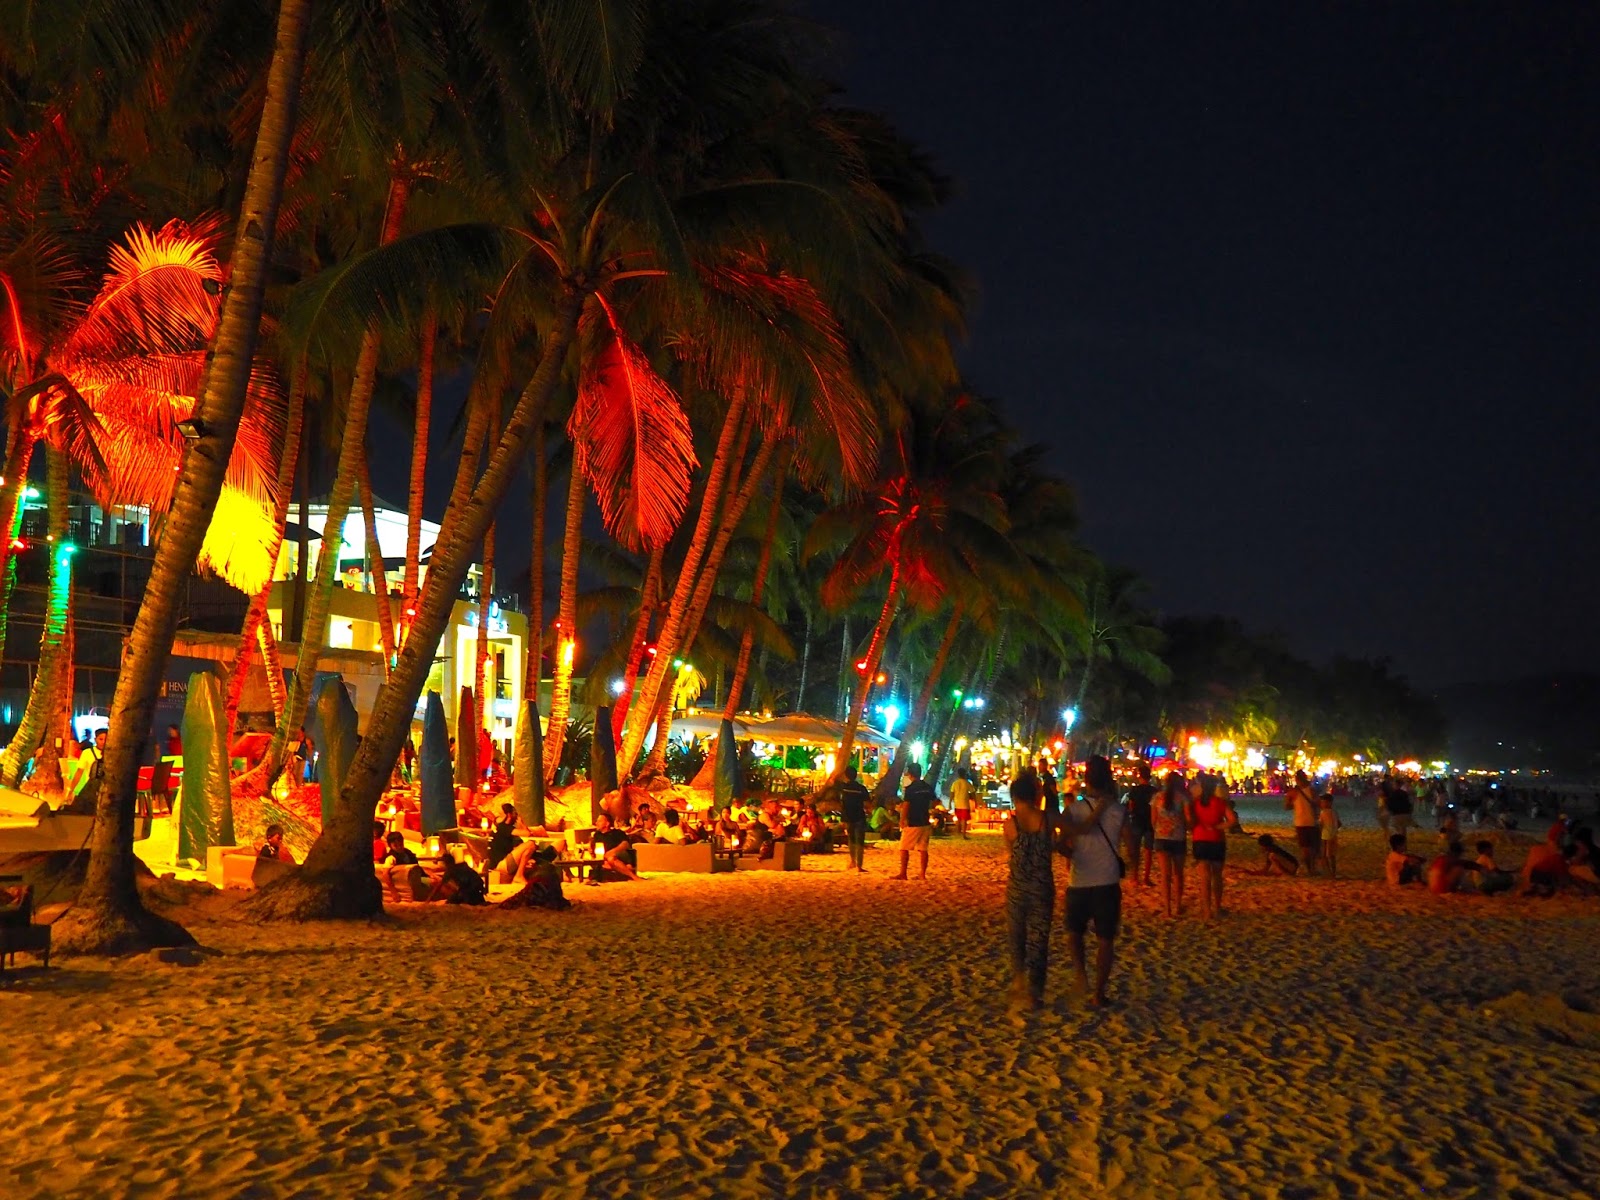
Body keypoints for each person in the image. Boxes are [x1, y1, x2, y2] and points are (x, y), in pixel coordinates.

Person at [1061, 755, 1125, 1008]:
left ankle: (1081, 975)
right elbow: (1129, 841)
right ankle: (1099, 992)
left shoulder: (1073, 809)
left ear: (1086, 779)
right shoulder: (1118, 810)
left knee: (1073, 933)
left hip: (1079, 880)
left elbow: (1062, 843)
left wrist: (1072, 851)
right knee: (1105, 939)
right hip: (1107, 880)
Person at [1003, 772, 1056, 1011]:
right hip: (1042, 887)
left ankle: (1018, 980)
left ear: (1015, 796)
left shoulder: (1010, 824)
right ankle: (1034, 992)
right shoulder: (1045, 820)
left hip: (1017, 886)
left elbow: (1010, 855)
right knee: (1038, 940)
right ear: (1035, 794)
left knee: (1017, 936)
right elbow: (1054, 846)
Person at [1188, 774, 1230, 920]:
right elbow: (1232, 820)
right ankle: (1217, 908)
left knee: (1204, 878)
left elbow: (1189, 819)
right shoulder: (1219, 802)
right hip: (1216, 840)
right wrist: (1218, 826)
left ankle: (1206, 910)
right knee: (1217, 876)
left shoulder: (1195, 803)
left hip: (1200, 839)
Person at [1151, 771, 1188, 919]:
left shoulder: (1157, 797)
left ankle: (1167, 909)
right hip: (1178, 837)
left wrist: (1160, 828)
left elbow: (1153, 820)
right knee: (1178, 874)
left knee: (1165, 876)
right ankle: (1178, 905)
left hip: (1161, 837)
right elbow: (1187, 818)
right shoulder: (1182, 798)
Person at [895, 763, 936, 880]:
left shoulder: (910, 789)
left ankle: (903, 873)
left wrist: (902, 819)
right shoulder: (927, 787)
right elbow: (934, 801)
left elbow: (906, 806)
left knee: (903, 847)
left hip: (913, 821)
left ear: (910, 774)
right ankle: (922, 874)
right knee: (923, 849)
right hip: (925, 820)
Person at [501, 845, 573, 910]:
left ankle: (567, 874)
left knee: (560, 843)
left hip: (538, 865)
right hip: (528, 866)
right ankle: (519, 875)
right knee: (531, 844)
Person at [1123, 761, 1156, 887]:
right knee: (1148, 850)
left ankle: (1134, 877)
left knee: (1135, 850)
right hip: (1149, 821)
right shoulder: (1154, 790)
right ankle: (1146, 877)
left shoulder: (1135, 790)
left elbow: (1131, 806)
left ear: (1140, 776)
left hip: (1137, 820)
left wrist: (1131, 814)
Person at [1284, 770, 1321, 875]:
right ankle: (1313, 868)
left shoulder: (1292, 792)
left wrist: (1294, 803)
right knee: (1314, 848)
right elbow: (1318, 804)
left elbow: (1286, 806)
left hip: (1300, 822)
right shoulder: (1312, 791)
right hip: (1312, 821)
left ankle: (1309, 869)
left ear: (1296, 779)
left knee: (1304, 848)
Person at [838, 765, 871, 872]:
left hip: (848, 816)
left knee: (851, 839)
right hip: (859, 816)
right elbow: (866, 804)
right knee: (860, 841)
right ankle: (859, 865)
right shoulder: (861, 789)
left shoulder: (843, 788)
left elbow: (841, 803)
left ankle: (852, 861)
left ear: (846, 775)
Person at [594, 813, 640, 881]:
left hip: (620, 854)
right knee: (600, 861)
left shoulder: (617, 833)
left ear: (607, 823)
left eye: (600, 821)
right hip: (605, 857)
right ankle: (624, 868)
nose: (597, 823)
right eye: (597, 821)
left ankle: (634, 877)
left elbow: (626, 844)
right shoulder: (597, 835)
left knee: (610, 858)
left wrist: (612, 852)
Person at [487, 803, 520, 869]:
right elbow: (527, 833)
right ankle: (519, 874)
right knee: (530, 845)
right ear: (509, 815)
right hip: (501, 863)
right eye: (514, 813)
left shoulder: (498, 827)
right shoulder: (505, 827)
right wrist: (521, 823)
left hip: (493, 862)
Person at [1317, 792, 1341, 878]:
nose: (1321, 804)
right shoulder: (1334, 812)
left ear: (1328, 803)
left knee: (1324, 855)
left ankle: (1328, 872)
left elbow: (1320, 824)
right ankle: (1333, 871)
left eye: (1322, 802)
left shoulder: (1323, 812)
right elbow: (1339, 824)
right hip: (1333, 835)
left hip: (1325, 836)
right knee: (1332, 855)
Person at [950, 768, 973, 840]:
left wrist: (950, 803)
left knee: (958, 819)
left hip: (957, 803)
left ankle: (957, 833)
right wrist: (975, 801)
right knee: (964, 820)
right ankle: (963, 834)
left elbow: (952, 794)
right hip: (965, 804)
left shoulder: (955, 783)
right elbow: (973, 793)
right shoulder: (967, 783)